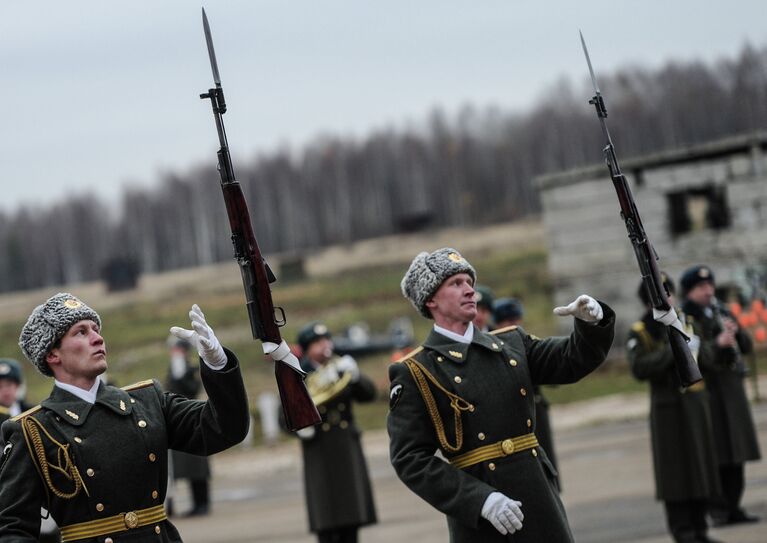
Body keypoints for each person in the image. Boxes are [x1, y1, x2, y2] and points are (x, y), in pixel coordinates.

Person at [388, 248, 615, 542]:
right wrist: (479, 499)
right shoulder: (417, 369)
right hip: (483, 513)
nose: (470, 291)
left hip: (537, 497)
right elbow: (410, 459)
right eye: (456, 283)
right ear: (431, 299)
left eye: (469, 282)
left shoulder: (511, 343)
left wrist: (590, 325)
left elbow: (570, 361)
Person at [0, 292, 251, 542]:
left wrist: (218, 365)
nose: (98, 338)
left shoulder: (147, 401)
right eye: (81, 332)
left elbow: (224, 429)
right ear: (52, 354)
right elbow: (13, 530)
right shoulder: (33, 430)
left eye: (96, 329)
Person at [627, 274, 722, 543]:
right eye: (660, 295)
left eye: (669, 294)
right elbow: (640, 367)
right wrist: (673, 350)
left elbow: (710, 361)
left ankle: (701, 529)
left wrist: (704, 349)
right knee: (675, 472)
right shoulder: (641, 331)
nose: (668, 300)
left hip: (695, 405)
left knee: (701, 467)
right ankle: (683, 531)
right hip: (668, 410)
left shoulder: (686, 322)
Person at [680, 265, 761, 526]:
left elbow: (747, 346)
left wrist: (734, 332)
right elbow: (694, 358)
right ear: (690, 291)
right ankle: (719, 509)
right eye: (701, 287)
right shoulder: (687, 319)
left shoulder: (721, 310)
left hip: (732, 392)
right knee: (717, 453)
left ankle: (734, 506)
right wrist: (717, 344)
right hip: (710, 394)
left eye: (710, 286)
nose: (708, 291)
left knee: (736, 451)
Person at [291, 322, 378, 543]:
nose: (325, 346)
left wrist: (356, 376)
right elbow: (286, 414)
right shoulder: (297, 374)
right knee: (326, 514)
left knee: (351, 513)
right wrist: (302, 428)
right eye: (318, 343)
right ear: (307, 349)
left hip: (346, 443)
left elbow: (368, 396)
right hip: (318, 447)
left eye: (326, 340)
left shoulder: (340, 367)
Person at [493, 297, 560, 490]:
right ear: (498, 322)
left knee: (546, 467)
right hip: (515, 417)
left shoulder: (523, 341)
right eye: (509, 321)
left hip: (537, 410)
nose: (515, 325)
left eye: (517, 320)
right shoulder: (498, 346)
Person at [164, 337, 212, 517]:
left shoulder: (190, 368)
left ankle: (202, 503)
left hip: (191, 418)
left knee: (197, 467)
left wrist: (182, 372)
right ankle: (175, 505)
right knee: (178, 468)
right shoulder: (173, 368)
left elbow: (192, 389)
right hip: (177, 419)